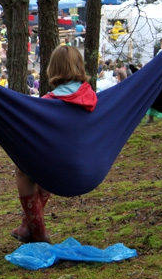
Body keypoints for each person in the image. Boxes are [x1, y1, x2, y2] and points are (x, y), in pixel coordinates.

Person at [11, 45, 97, 244]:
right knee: (43, 168)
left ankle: (39, 233)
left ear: (53, 68)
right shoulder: (93, 99)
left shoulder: (48, 103)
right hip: (85, 168)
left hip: (57, 169)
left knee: (23, 170)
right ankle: (26, 227)